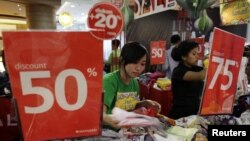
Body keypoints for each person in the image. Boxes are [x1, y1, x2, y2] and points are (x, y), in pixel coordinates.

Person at [102, 42, 175, 130]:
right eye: (134, 62)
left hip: (127, 131)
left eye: (142, 64)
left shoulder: (135, 82)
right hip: (109, 132)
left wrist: (145, 103)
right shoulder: (109, 81)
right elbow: (101, 114)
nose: (138, 68)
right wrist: (111, 120)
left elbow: (130, 106)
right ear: (122, 60)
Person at [169, 40, 207, 119]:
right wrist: (209, 63)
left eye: (197, 53)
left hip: (194, 113)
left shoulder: (196, 68)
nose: (197, 56)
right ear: (184, 56)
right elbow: (200, 76)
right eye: (194, 54)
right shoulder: (178, 71)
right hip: (181, 115)